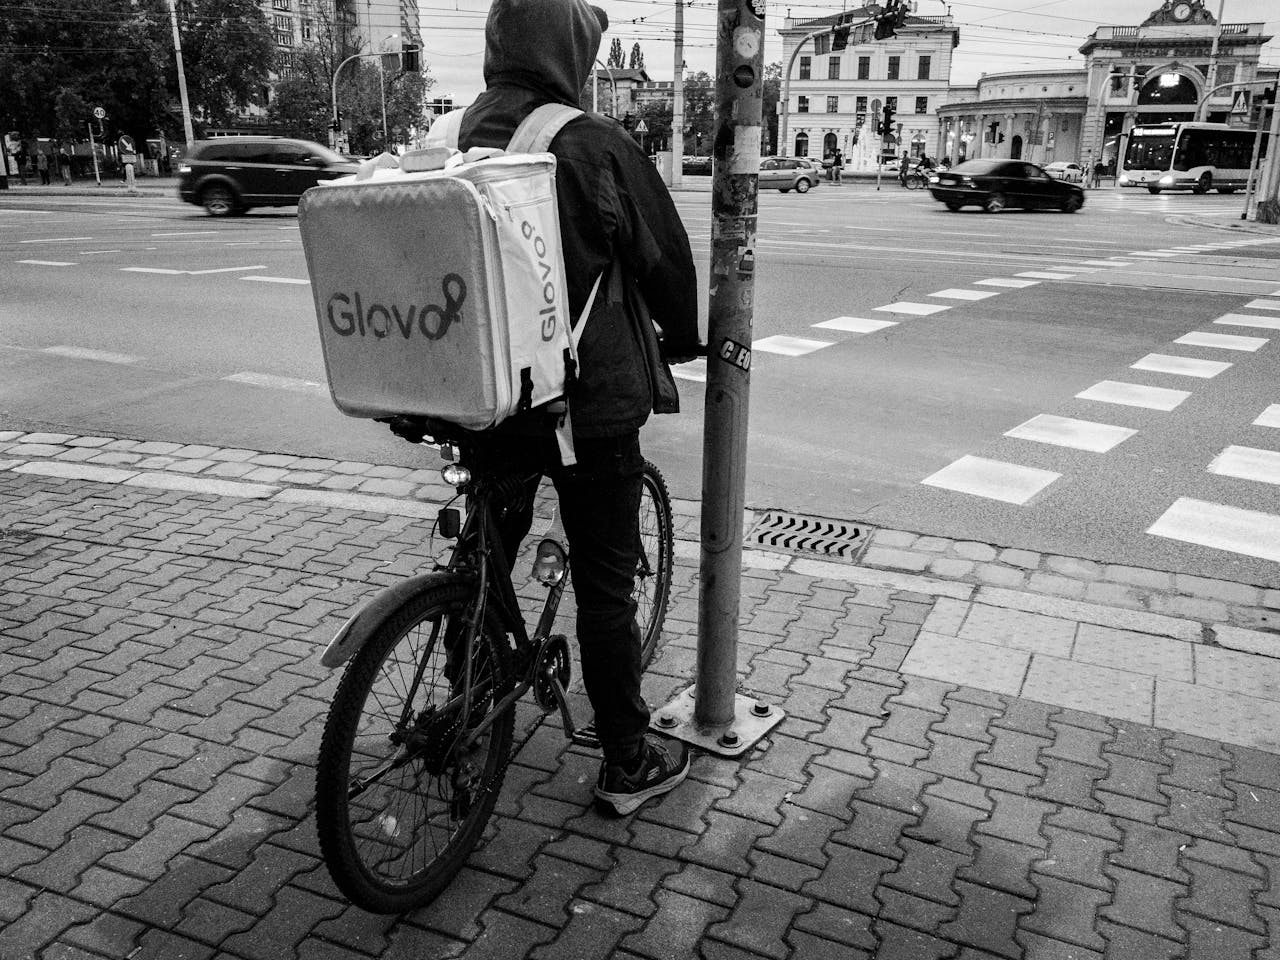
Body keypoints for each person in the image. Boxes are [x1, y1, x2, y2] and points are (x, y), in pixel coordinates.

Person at [451, 0, 699, 816]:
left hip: (491, 398)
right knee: (604, 583)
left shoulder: (460, 136)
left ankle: (465, 700)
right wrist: (683, 335)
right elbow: (664, 258)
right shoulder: (591, 143)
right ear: (569, 54)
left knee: (485, 555)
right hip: (586, 408)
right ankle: (626, 758)